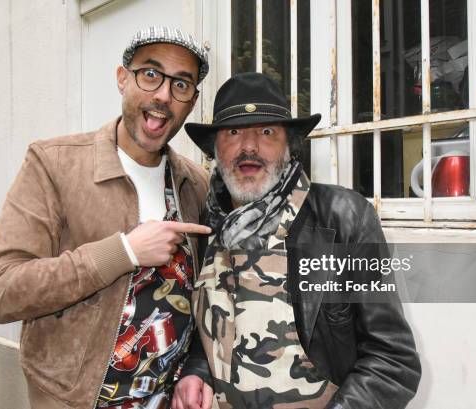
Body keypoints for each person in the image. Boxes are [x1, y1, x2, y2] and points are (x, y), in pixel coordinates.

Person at [0, 27, 212, 409]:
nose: (164, 95)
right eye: (150, 74)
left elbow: (202, 299)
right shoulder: (54, 164)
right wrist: (122, 252)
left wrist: (194, 371)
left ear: (192, 101)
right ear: (122, 78)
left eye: (181, 84)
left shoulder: (195, 184)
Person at [173, 73, 422, 409]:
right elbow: (210, 337)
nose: (249, 147)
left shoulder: (343, 218)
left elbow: (393, 361)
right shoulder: (207, 225)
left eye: (266, 132)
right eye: (233, 133)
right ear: (215, 150)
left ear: (289, 145)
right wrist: (196, 372)